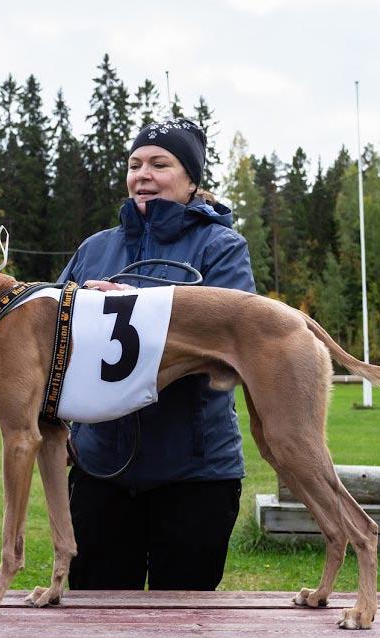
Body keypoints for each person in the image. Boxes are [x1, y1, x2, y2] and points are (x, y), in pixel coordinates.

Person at [57, 117, 256, 591]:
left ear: (191, 179)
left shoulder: (222, 247)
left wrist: (133, 304)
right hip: (99, 474)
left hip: (196, 476)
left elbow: (232, 349)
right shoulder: (94, 249)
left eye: (159, 163)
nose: (143, 174)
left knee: (183, 632)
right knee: (95, 628)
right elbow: (52, 340)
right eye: (134, 164)